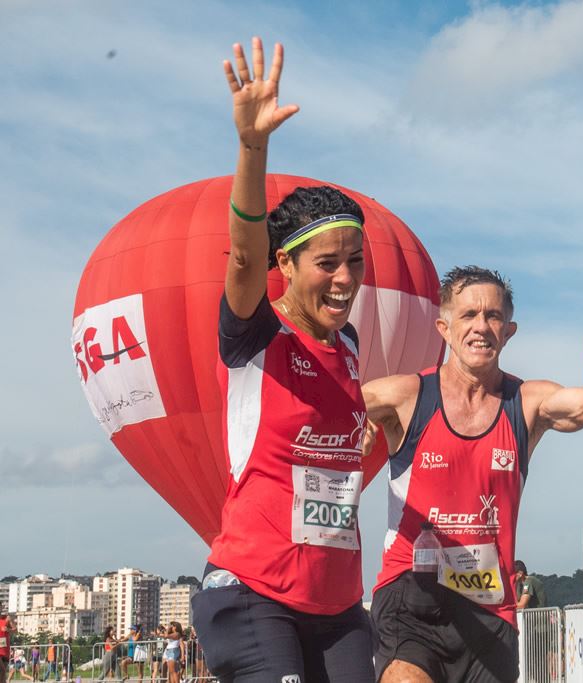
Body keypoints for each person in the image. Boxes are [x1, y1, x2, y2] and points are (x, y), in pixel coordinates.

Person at [189, 36, 374, 683]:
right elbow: (242, 256)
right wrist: (252, 145)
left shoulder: (348, 346)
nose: (345, 278)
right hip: (253, 593)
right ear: (286, 264)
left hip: (339, 604)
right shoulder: (254, 334)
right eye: (328, 262)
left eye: (356, 260)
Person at [362, 265, 583, 683]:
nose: (481, 327)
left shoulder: (526, 402)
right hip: (412, 599)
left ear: (509, 331)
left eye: (493, 317)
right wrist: (350, 429)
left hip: (490, 610)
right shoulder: (406, 396)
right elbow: (330, 409)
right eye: (468, 315)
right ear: (444, 328)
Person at [0, 610, 13, 683]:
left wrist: (8, 629)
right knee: (2, 670)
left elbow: (15, 630)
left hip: (5, 651)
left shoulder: (6, 619)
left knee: (3, 674)